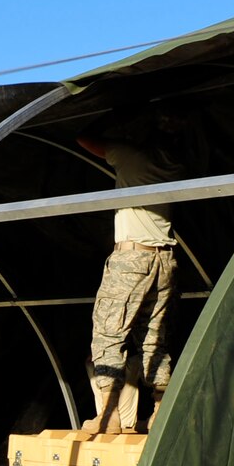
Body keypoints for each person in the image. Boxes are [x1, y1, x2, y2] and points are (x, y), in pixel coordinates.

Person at [76, 129, 185, 434]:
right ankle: (161, 412)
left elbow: (85, 138)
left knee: (107, 333)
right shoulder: (174, 162)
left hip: (132, 258)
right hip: (165, 259)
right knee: (155, 340)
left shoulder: (132, 156)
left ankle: (109, 415)